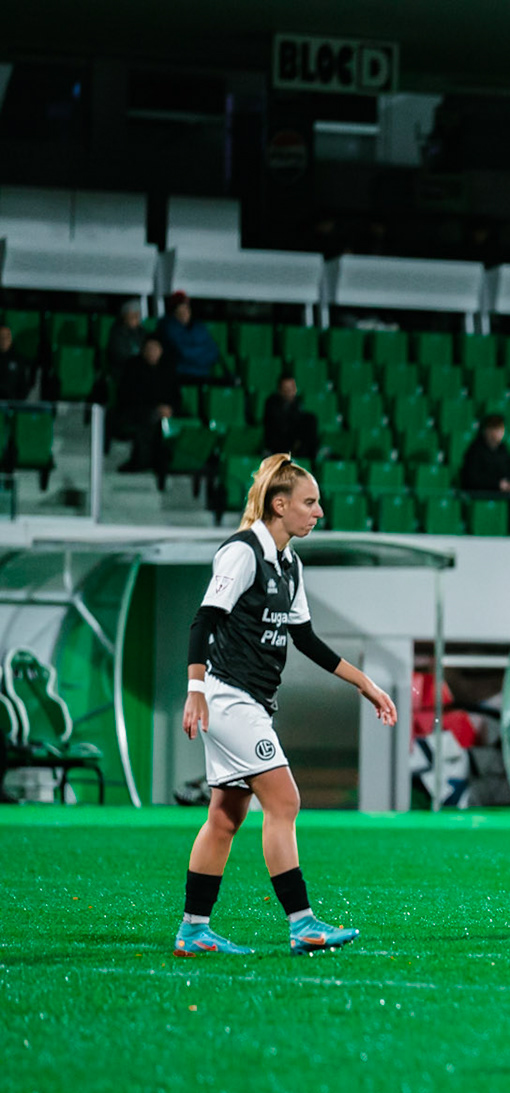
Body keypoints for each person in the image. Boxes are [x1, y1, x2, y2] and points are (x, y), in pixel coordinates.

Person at [174, 454, 398, 957]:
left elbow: (306, 639)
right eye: (310, 502)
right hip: (229, 699)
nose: (318, 512)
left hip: (249, 701)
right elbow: (203, 620)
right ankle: (303, 925)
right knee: (285, 801)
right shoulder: (243, 553)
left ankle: (193, 931)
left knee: (226, 818)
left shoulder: (289, 563)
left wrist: (365, 684)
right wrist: (196, 690)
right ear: (280, 505)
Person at [112, 336, 182, 477]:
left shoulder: (168, 368)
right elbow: (127, 396)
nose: (152, 352)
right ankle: (142, 460)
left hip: (166, 411)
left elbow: (176, 395)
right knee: (149, 419)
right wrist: (156, 408)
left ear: (161, 351)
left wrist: (170, 409)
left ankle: (175, 461)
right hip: (137, 410)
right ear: (143, 350)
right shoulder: (133, 366)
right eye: (149, 349)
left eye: (155, 349)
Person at [155, 292, 229, 384]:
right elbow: (183, 352)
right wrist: (203, 352)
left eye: (186, 308)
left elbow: (214, 351)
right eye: (180, 309)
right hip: (180, 376)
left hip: (204, 375)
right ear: (174, 311)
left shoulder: (199, 327)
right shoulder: (168, 327)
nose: (184, 313)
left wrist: (195, 353)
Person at [261, 373, 319, 459]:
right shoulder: (271, 403)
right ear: (280, 390)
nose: (289, 392)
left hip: (296, 441)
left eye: (291, 388)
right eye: (286, 389)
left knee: (310, 420)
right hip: (279, 442)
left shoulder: (297, 404)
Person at [458, 414, 510, 495]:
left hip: (500, 496)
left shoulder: (503, 449)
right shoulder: (475, 450)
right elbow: (472, 479)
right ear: (486, 430)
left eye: (500, 429)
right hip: (480, 496)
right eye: (494, 429)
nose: (496, 433)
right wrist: (497, 484)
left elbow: (508, 472)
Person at [106, 300, 147, 369]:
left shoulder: (142, 332)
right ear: (125, 317)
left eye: (137, 316)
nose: (136, 319)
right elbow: (119, 355)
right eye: (133, 316)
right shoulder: (117, 332)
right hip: (123, 368)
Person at [0, 325, 30, 400]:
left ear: (10, 338)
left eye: (7, 337)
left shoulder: (19, 360)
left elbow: (23, 387)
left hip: (12, 406)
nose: (4, 340)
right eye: (1, 337)